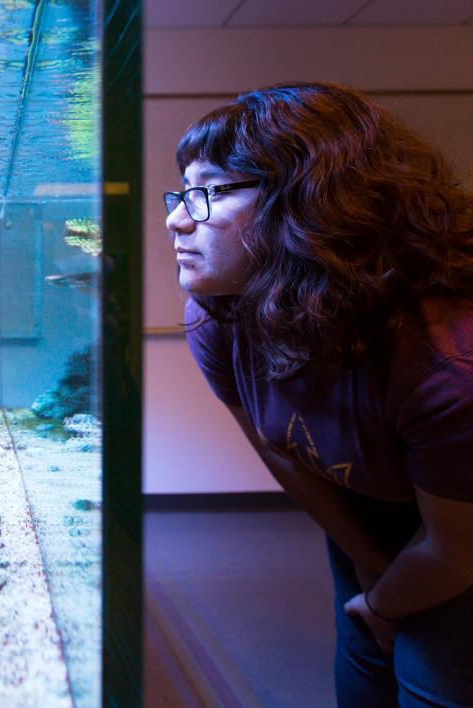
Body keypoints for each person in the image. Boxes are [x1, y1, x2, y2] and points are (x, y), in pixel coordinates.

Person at [166, 82, 473, 707]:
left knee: (434, 677)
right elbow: (282, 451)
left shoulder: (444, 364)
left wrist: (385, 602)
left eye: (209, 192)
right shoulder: (217, 319)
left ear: (309, 200)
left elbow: (454, 549)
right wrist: (365, 561)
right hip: (366, 513)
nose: (175, 217)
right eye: (180, 192)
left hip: (457, 528)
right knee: (362, 662)